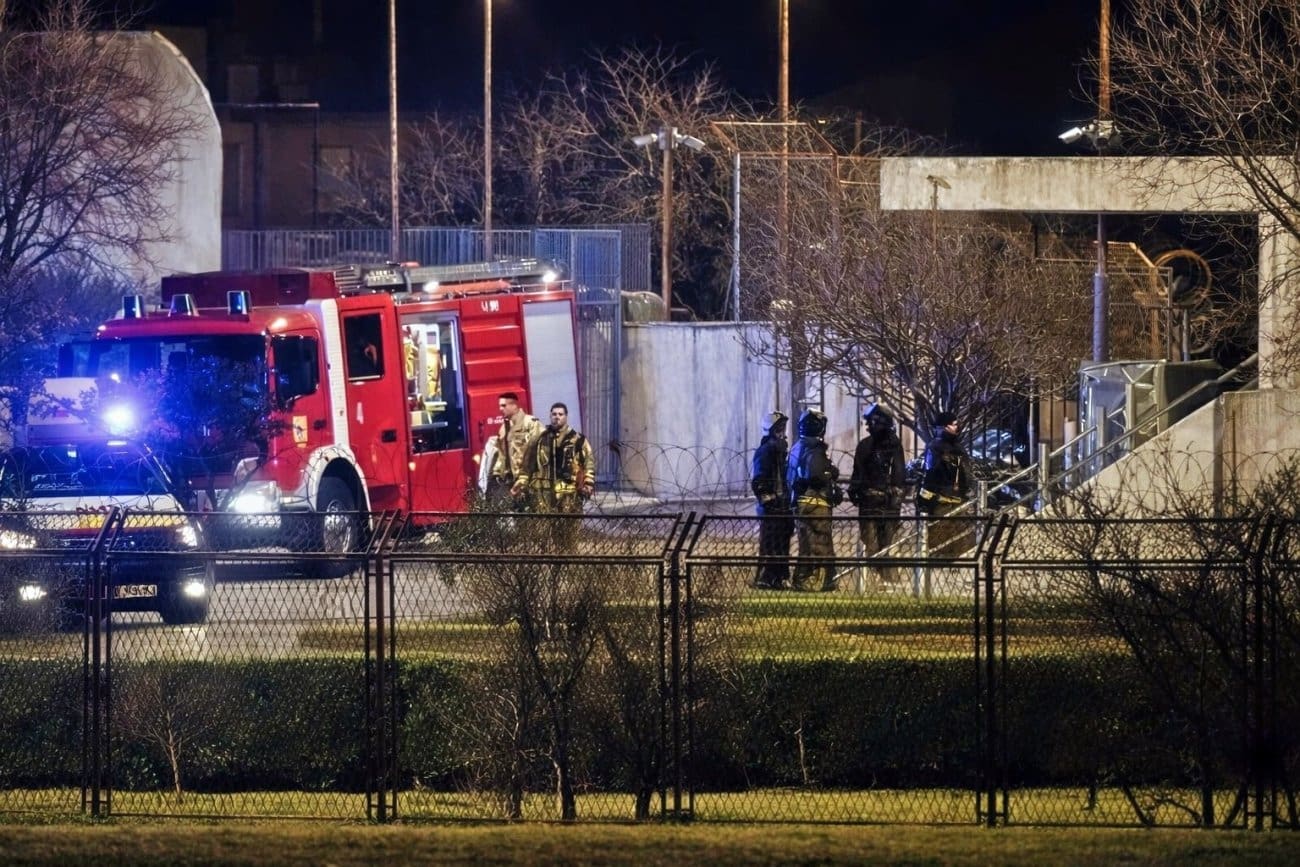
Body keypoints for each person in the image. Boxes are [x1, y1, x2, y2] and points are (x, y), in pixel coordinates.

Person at [514, 402, 594, 544]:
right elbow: (526, 467)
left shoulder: (578, 440)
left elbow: (588, 464)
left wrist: (588, 483)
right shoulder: (538, 440)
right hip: (542, 496)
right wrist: (521, 485)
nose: (557, 417)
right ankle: (547, 564)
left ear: (566, 416)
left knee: (568, 537)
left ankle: (567, 565)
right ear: (550, 416)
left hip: (569, 496)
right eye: (554, 414)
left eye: (560, 414)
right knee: (542, 537)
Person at [848, 404, 907, 585]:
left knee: (875, 543)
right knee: (882, 543)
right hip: (881, 502)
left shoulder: (870, 445)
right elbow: (899, 475)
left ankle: (880, 577)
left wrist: (855, 492)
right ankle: (884, 577)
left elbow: (858, 476)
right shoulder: (888, 445)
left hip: (874, 502)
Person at [786, 408, 843, 592]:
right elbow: (817, 475)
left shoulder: (796, 447)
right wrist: (830, 474)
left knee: (807, 544)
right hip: (815, 502)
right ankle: (812, 581)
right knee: (818, 544)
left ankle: (812, 580)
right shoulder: (815, 448)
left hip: (802, 502)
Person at [916, 410, 973, 554]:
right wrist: (925, 501)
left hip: (958, 504)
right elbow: (930, 475)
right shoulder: (935, 447)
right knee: (940, 546)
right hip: (941, 504)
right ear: (944, 427)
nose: (957, 427)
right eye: (954, 425)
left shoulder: (958, 448)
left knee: (958, 548)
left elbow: (966, 475)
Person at [750, 410, 792, 589]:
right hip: (772, 509)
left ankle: (778, 578)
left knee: (782, 545)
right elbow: (759, 480)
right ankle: (766, 579)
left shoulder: (780, 452)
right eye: (779, 428)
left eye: (783, 428)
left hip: (783, 506)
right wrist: (770, 500)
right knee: (770, 544)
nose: (783, 432)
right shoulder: (767, 451)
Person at [486, 392, 543, 508]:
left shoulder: (531, 423)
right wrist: (497, 473)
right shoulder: (504, 428)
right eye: (500, 406)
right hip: (512, 484)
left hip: (530, 482)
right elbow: (501, 453)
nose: (500, 409)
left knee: (535, 519)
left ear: (514, 405)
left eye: (504, 405)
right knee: (520, 521)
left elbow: (540, 452)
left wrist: (527, 476)